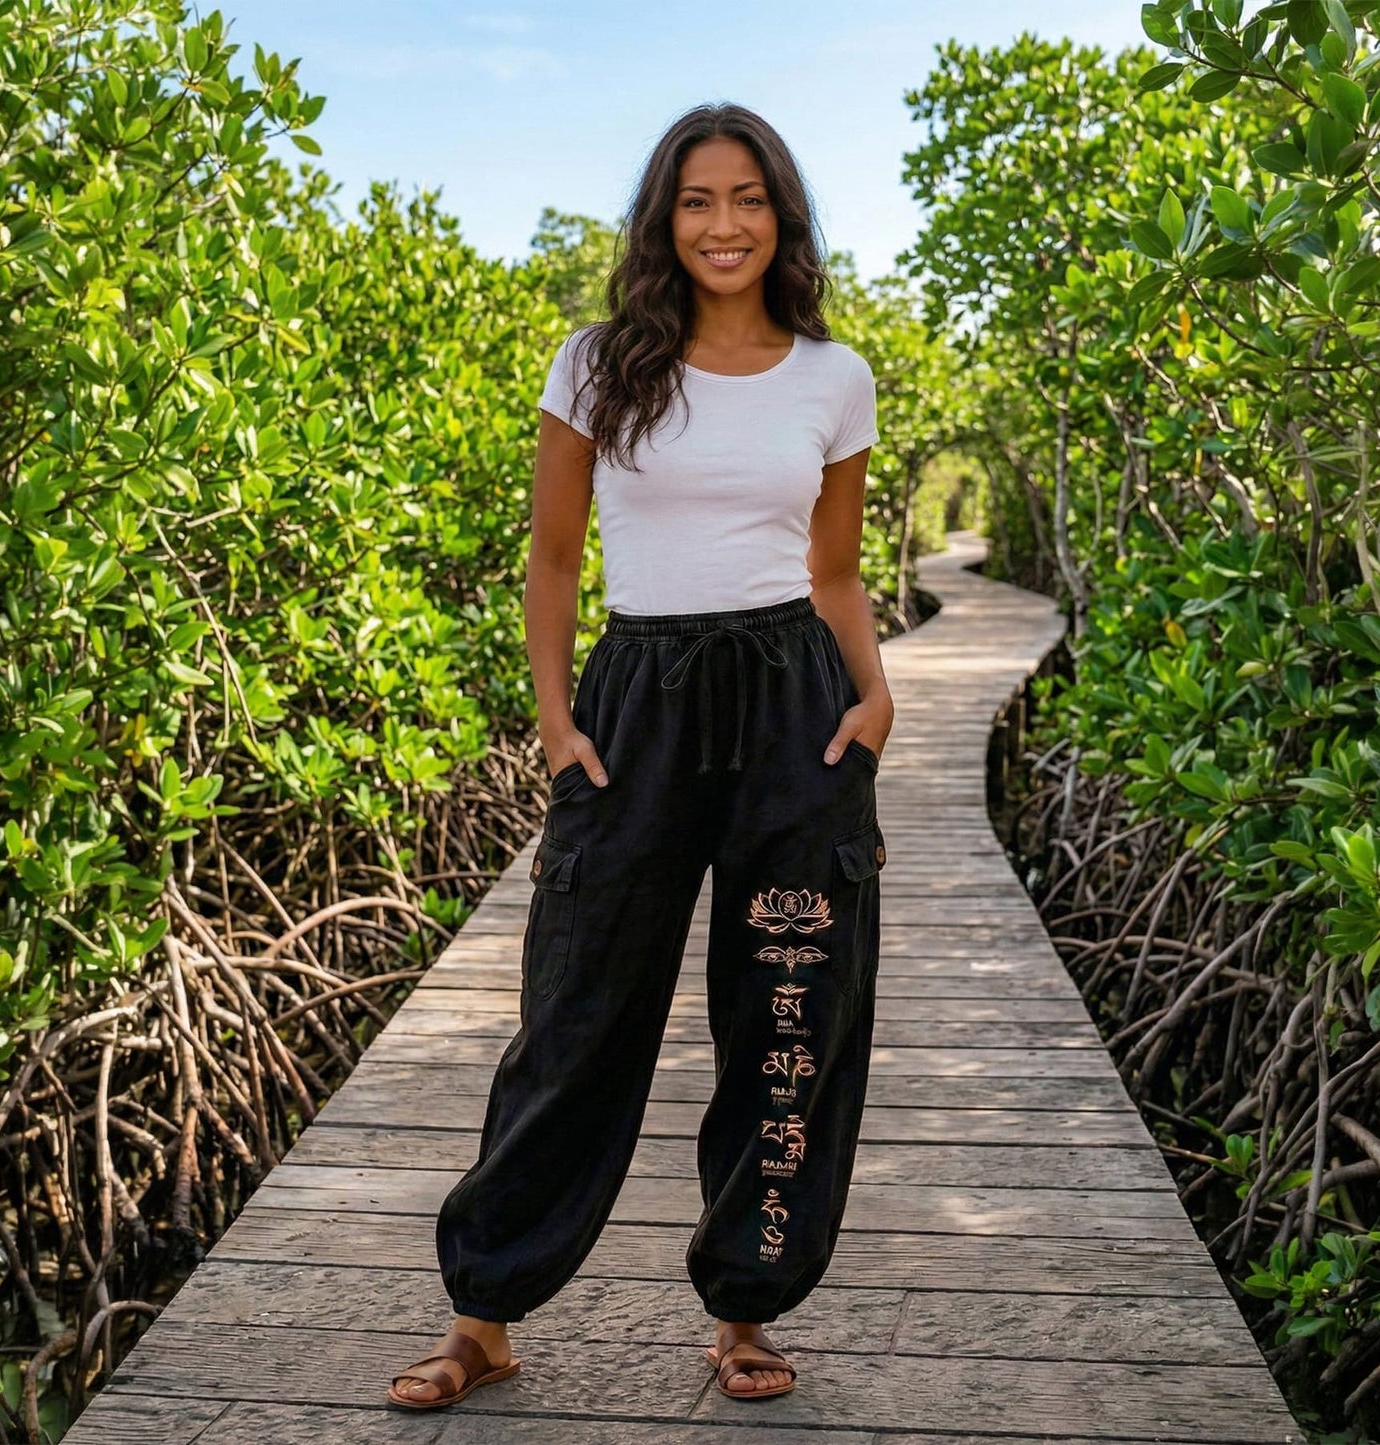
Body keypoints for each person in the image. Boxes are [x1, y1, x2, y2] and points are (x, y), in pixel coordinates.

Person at [387, 100, 893, 1412]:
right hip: (637, 700)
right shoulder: (599, 362)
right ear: (663, 222)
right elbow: (552, 560)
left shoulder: (832, 377)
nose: (723, 225)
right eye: (695, 201)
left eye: (746, 199)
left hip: (795, 701)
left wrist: (876, 696)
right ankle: (484, 1309)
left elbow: (833, 570)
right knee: (577, 1005)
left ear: (780, 215)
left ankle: (745, 1305)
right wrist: (557, 720)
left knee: (789, 1012)